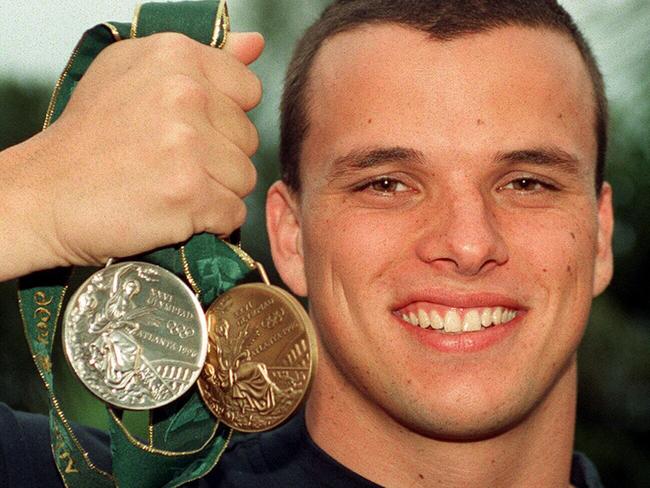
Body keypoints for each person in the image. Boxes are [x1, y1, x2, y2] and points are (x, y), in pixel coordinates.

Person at [0, 1, 612, 486]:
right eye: (388, 184)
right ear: (290, 237)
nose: (469, 242)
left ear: (601, 234)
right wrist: (28, 200)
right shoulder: (83, 480)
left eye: (527, 183)